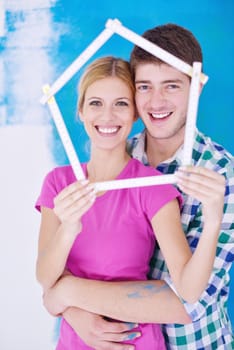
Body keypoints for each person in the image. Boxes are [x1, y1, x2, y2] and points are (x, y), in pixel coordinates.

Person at [41, 24, 234, 350]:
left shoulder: (220, 176)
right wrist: (70, 307)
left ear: (197, 86)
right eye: (144, 86)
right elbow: (50, 275)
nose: (156, 101)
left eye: (171, 85)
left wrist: (66, 294)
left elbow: (188, 302)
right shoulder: (116, 153)